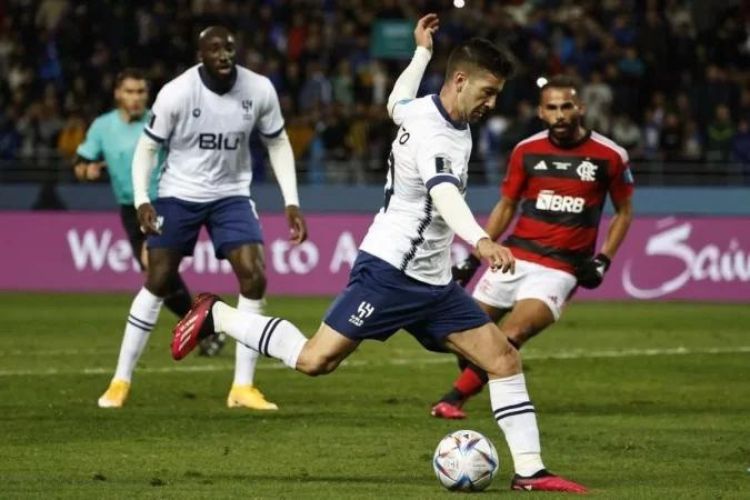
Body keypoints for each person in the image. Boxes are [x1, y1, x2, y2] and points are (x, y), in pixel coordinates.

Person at [171, 15, 586, 493]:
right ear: (460, 81)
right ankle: (217, 316)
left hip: (433, 284)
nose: (491, 104)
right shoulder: (438, 135)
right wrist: (482, 240)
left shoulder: (426, 111)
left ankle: (531, 472)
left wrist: (421, 53)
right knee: (314, 361)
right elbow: (445, 194)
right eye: (487, 92)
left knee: (504, 360)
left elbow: (395, 103)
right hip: (389, 273)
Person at [97, 27, 308, 410]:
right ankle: (120, 380)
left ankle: (242, 387)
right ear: (201, 54)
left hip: (231, 195)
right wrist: (143, 198)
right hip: (179, 193)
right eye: (215, 49)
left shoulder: (259, 89)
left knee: (255, 276)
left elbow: (277, 141)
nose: (224, 55)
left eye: (229, 48)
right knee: (158, 279)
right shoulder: (177, 92)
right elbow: (148, 146)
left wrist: (291, 201)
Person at [431, 74, 634, 420]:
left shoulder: (610, 156)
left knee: (513, 333)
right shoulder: (526, 151)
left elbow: (624, 213)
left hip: (561, 267)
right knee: (460, 332)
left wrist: (603, 260)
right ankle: (481, 373)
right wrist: (476, 256)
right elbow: (506, 205)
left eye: (566, 106)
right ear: (541, 112)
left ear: (580, 108)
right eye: (552, 108)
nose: (560, 114)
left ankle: (452, 399)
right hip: (514, 255)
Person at [75, 69, 208, 351]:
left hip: (160, 202)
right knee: (159, 274)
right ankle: (204, 326)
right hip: (128, 207)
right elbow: (81, 163)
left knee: (155, 266)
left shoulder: (157, 120)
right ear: (117, 94)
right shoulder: (102, 126)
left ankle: (201, 328)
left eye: (140, 92)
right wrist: (87, 171)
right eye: (129, 92)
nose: (135, 98)